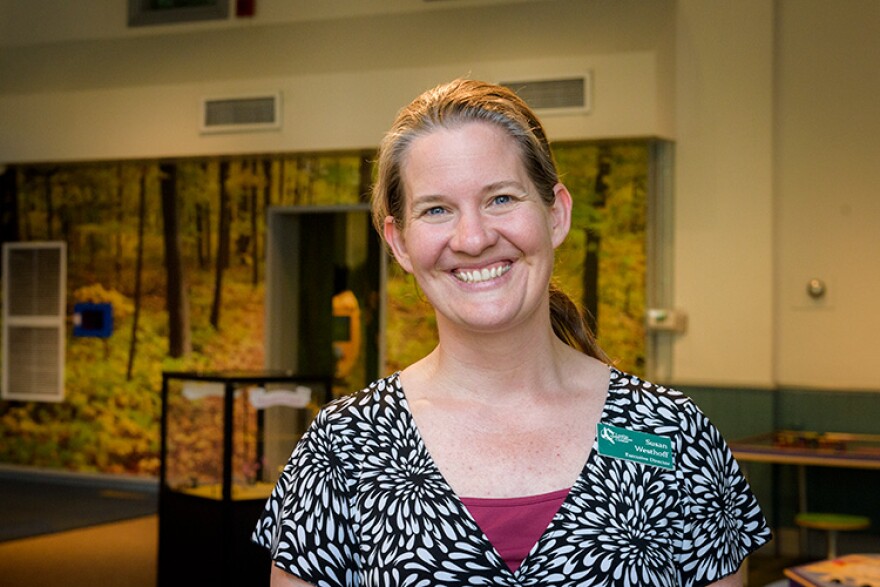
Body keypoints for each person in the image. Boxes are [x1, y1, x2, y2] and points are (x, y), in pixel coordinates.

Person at [253, 79, 771, 586]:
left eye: (501, 198)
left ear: (556, 213)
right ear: (400, 243)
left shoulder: (671, 434)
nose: (474, 238)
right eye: (436, 209)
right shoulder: (342, 448)